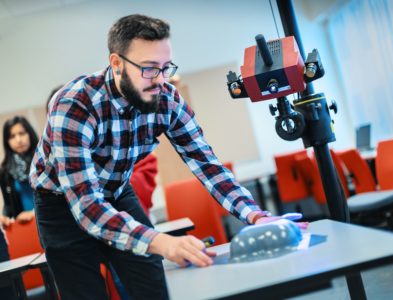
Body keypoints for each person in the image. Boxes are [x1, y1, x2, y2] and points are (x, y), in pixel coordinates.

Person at [30, 14, 305, 300]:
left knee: (152, 282)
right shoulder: (75, 104)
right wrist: (159, 241)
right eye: (149, 69)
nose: (161, 80)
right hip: (60, 203)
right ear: (117, 64)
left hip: (116, 190)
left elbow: (207, 165)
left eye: (165, 67)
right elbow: (87, 205)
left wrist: (255, 216)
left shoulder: (168, 100)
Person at [0, 116, 38, 227]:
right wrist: (4, 217)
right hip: (25, 228)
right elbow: (8, 205)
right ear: (7, 142)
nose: (18, 140)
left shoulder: (44, 162)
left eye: (22, 133)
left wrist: (33, 213)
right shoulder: (5, 171)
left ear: (29, 134)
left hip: (49, 222)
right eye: (12, 136)